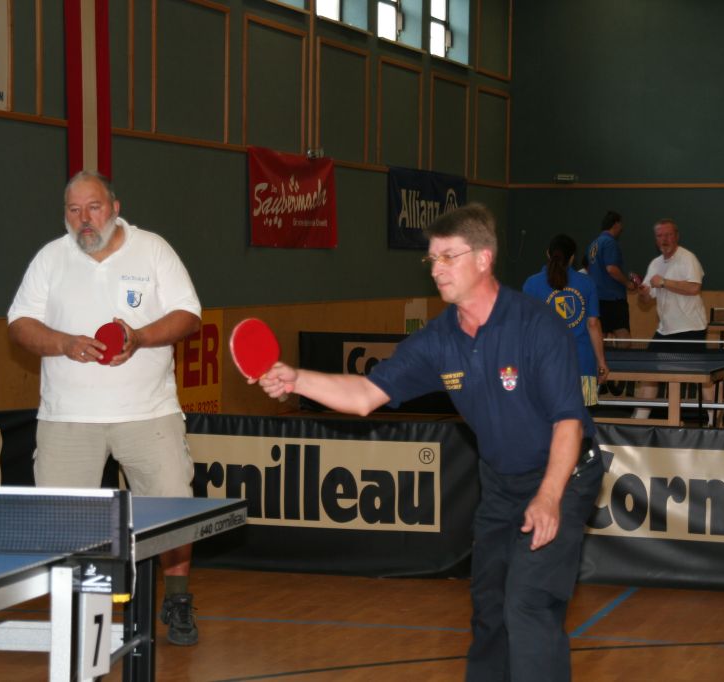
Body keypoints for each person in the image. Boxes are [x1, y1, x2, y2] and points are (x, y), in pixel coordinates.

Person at [256, 204, 603, 681]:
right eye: (432, 259)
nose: (436, 269)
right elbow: (364, 395)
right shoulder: (438, 340)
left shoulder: (537, 326)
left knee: (528, 603)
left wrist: (548, 498)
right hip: (501, 484)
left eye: (448, 257)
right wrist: (297, 379)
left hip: (564, 477)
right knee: (489, 606)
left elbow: (568, 421)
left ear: (483, 259)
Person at [7, 170, 203, 645]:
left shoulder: (153, 250)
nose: (84, 219)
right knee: (63, 525)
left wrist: (141, 337)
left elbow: (189, 315)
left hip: (149, 413)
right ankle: (76, 610)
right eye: (74, 210)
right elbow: (19, 323)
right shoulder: (50, 258)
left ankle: (177, 599)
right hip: (67, 418)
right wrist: (63, 343)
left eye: (93, 207)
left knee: (173, 509)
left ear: (115, 208)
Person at [634, 219, 710, 421]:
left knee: (703, 377)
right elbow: (646, 299)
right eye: (660, 236)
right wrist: (643, 293)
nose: (664, 239)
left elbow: (694, 287)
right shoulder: (655, 264)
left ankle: (714, 420)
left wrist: (664, 282)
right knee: (649, 375)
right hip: (665, 331)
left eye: (668, 235)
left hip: (691, 329)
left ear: (676, 236)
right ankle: (639, 421)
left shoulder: (688, 258)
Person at [523, 234, 609, 406]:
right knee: (578, 419)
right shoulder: (587, 283)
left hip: (544, 366)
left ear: (548, 254)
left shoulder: (531, 284)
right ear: (572, 258)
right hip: (582, 363)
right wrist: (601, 363)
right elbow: (593, 324)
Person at [586, 210, 639, 340]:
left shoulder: (593, 244)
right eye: (621, 224)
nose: (622, 228)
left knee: (601, 338)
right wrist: (628, 283)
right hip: (613, 299)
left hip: (597, 299)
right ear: (615, 224)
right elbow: (612, 269)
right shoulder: (610, 242)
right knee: (623, 338)